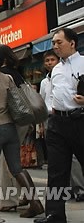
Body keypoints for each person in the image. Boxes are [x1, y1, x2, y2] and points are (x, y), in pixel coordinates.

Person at [0, 45, 44, 218]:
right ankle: (35, 203)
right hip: (10, 128)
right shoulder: (8, 78)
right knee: (16, 168)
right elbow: (11, 99)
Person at [35, 28, 84, 223]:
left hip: (80, 120)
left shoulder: (83, 62)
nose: (55, 46)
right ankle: (54, 214)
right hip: (56, 122)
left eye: (59, 42)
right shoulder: (55, 69)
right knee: (56, 171)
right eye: (53, 42)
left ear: (72, 43)